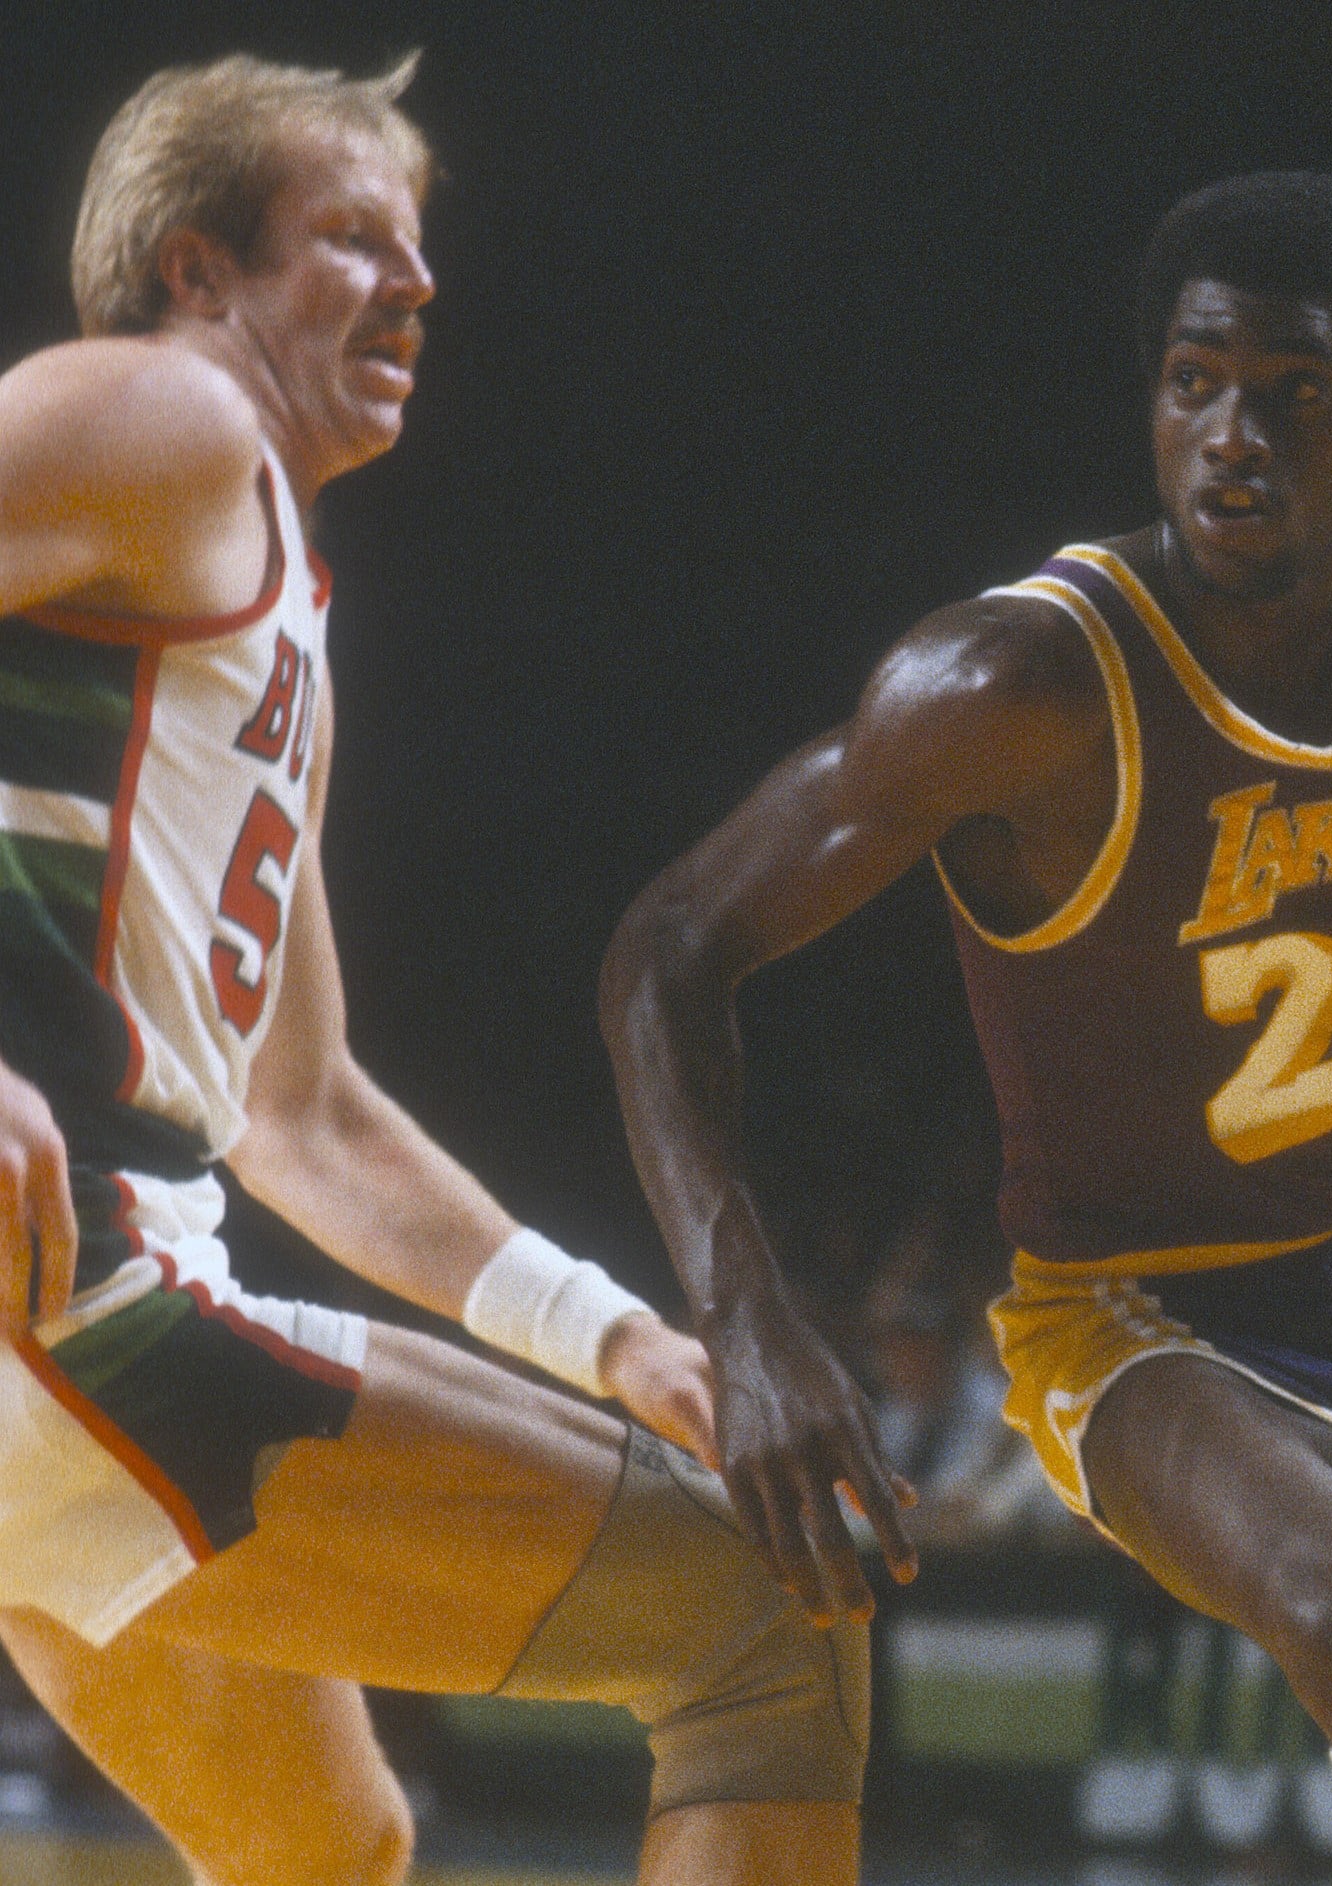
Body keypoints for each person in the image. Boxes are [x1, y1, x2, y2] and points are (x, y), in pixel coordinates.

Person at [607, 172, 1332, 1886]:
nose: (1232, 433)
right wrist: (748, 1315)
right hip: (1137, 1303)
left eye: (1291, 392)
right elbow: (667, 950)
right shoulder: (1015, 688)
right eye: (1194, 381)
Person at [0, 54, 866, 1885]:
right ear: (194, 267)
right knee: (761, 1617)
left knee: (328, 1849)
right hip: (62, 1300)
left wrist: (614, 1332)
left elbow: (309, 1121)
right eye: (352, 238)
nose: (418, 282)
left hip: (89, 1299)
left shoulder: (262, 595)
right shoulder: (156, 413)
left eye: (420, 247)